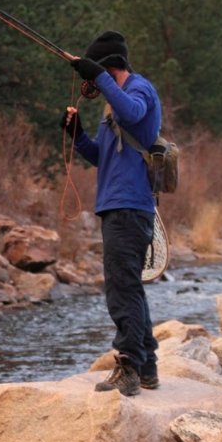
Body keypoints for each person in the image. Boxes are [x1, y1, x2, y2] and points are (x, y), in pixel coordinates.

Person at [61, 30, 162, 397]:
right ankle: (147, 368)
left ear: (110, 67)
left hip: (130, 207)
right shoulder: (111, 110)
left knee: (122, 289)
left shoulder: (140, 89)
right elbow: (100, 157)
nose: (93, 85)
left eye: (98, 75)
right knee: (129, 286)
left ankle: (130, 367)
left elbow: (134, 111)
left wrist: (99, 77)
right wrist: (77, 135)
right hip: (116, 207)